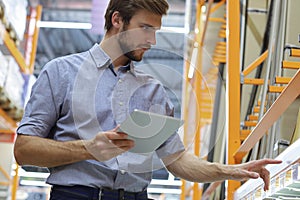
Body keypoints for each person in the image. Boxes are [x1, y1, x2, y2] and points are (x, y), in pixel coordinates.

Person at [14, 0, 281, 199]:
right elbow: (23, 150)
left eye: (156, 31)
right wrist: (88, 149)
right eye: (145, 28)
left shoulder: (152, 90)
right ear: (117, 20)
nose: (152, 40)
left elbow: (177, 160)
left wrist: (230, 171)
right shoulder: (61, 73)